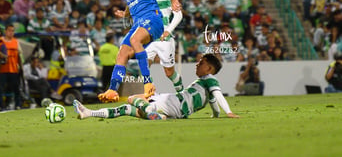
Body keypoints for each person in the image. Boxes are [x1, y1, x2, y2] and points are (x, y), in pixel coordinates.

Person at [98, 0, 181, 103]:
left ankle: (148, 84)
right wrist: (126, 14)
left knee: (135, 40)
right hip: (138, 24)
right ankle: (112, 89)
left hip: (153, 20)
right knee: (122, 52)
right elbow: (132, 4)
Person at [75, 54, 239, 120]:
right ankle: (88, 113)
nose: (197, 64)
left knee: (132, 98)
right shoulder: (206, 86)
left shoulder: (209, 80)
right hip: (175, 108)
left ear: (209, 69)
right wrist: (217, 116)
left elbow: (219, 96)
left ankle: (152, 113)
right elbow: (214, 103)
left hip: (172, 103)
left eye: (201, 63)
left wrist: (229, 112)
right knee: (126, 108)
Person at [145, 0, 184, 93]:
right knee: (143, 66)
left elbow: (179, 15)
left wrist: (169, 30)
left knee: (169, 72)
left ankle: (181, 93)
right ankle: (151, 95)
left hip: (164, 37)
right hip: (149, 36)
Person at [0, 24, 23, 110]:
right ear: (5, 31)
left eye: (12, 31)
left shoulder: (16, 42)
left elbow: (19, 55)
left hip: (13, 68)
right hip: (2, 68)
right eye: (9, 30)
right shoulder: (0, 41)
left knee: (16, 88)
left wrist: (20, 66)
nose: (11, 32)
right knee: (0, 88)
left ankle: (18, 104)